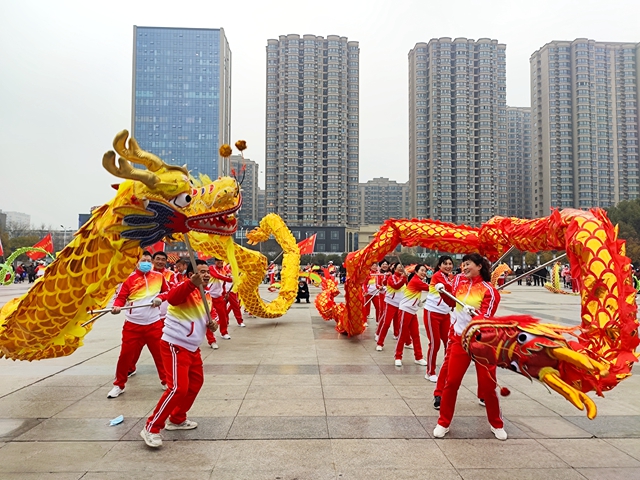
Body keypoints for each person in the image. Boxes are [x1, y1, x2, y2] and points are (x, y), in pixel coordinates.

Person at [141, 259, 219, 448]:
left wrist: (214, 324)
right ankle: (151, 427)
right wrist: (191, 283)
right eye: (201, 272)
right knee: (177, 388)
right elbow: (174, 298)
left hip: (193, 348)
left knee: (195, 383)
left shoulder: (206, 295)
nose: (206, 275)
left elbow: (212, 315)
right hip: (175, 345)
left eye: (207, 271)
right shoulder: (183, 289)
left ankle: (177, 418)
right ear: (191, 275)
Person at [433, 253, 506, 441]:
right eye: (463, 265)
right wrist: (443, 291)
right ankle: (443, 422)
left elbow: (487, 318)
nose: (464, 268)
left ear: (479, 266)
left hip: (482, 342)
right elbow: (451, 301)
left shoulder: (489, 290)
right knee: (452, 382)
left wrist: (475, 314)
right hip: (459, 339)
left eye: (468, 264)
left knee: (488, 387)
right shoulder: (458, 281)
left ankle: (496, 423)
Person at [107, 251, 170, 399]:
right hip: (133, 326)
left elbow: (168, 291)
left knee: (161, 355)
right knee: (125, 356)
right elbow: (120, 298)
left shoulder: (159, 277)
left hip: (154, 324)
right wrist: (116, 307)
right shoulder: (129, 280)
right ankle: (119, 385)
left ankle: (166, 382)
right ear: (137, 262)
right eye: (143, 260)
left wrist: (160, 298)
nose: (146, 262)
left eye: (149, 260)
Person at [424, 255, 454, 382]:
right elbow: (450, 289)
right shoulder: (437, 276)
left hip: (445, 314)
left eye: (450, 263)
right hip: (433, 313)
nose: (448, 266)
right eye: (445, 263)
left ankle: (448, 370)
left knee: (449, 343)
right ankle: (430, 372)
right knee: (435, 343)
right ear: (440, 265)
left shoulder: (450, 277)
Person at [394, 264, 430, 367]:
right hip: (405, 310)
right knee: (402, 334)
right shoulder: (416, 281)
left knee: (416, 334)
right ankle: (398, 356)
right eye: (422, 270)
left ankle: (418, 357)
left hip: (412, 311)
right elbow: (430, 288)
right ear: (416, 271)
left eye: (425, 271)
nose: (424, 273)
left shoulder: (418, 281)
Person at [375, 262, 406, 351]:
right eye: (399, 267)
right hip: (391, 303)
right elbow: (396, 286)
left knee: (400, 323)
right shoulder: (391, 277)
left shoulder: (404, 277)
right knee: (387, 323)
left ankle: (401, 338)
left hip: (401, 304)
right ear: (394, 268)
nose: (401, 269)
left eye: (402, 267)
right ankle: (380, 343)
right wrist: (404, 278)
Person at [205, 258, 233, 344]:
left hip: (218, 297)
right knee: (208, 318)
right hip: (208, 297)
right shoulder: (211, 268)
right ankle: (211, 340)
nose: (220, 262)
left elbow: (223, 284)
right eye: (218, 261)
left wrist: (225, 293)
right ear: (215, 261)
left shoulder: (224, 270)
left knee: (223, 315)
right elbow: (218, 276)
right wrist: (231, 279)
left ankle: (224, 332)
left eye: (221, 261)